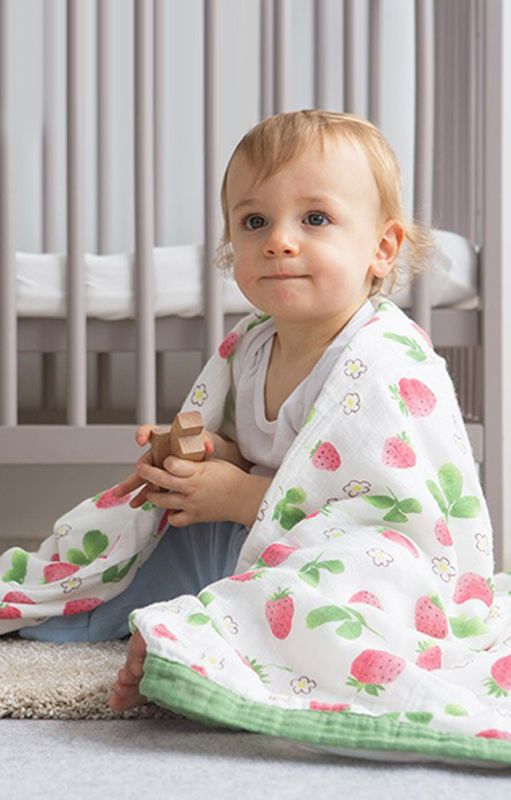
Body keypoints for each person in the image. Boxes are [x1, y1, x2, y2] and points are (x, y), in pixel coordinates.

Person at [28, 108, 436, 708]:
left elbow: (383, 510)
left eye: (315, 218)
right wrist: (202, 456)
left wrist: (240, 495)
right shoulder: (252, 346)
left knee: (333, 586)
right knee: (152, 529)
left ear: (382, 248)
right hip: (256, 535)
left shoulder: (383, 359)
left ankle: (200, 645)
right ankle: (72, 609)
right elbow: (252, 455)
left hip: (346, 551)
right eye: (254, 221)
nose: (278, 240)